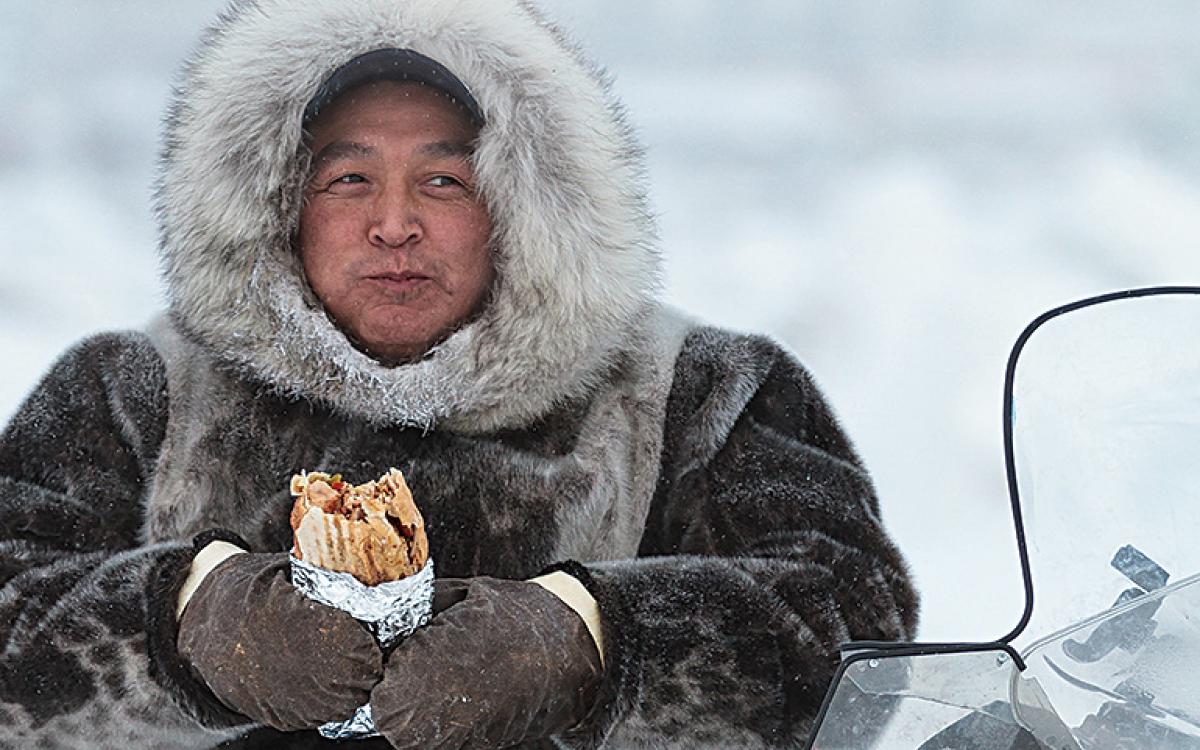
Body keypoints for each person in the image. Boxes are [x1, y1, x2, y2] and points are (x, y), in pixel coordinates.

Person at [0, 1, 918, 748]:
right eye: (347, 179)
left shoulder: (700, 392)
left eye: (446, 181)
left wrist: (592, 637)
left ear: (525, 204)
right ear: (277, 202)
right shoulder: (133, 392)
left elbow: (858, 629)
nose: (393, 223)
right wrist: (187, 617)